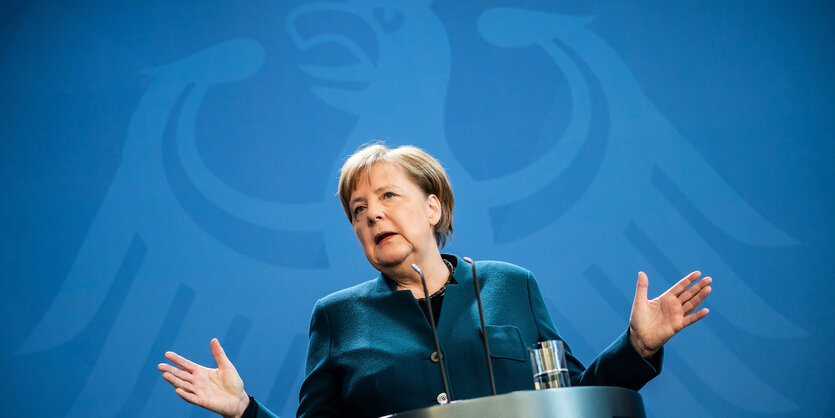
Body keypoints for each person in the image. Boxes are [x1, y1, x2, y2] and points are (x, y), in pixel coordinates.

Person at [158, 144, 712, 418]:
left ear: (432, 206)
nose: (371, 215)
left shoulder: (510, 285)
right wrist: (244, 411)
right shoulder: (336, 317)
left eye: (387, 197)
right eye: (357, 210)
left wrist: (638, 346)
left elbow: (566, 398)